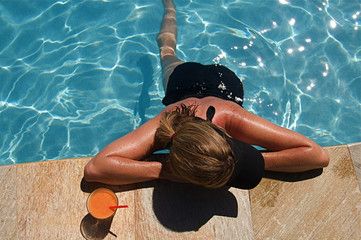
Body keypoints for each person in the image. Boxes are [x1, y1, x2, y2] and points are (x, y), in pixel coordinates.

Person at [84, 0, 329, 189]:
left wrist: (257, 161)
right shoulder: (168, 123)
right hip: (183, 81)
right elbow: (95, 169)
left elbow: (318, 155)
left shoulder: (233, 118)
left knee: (167, 52)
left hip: (224, 84)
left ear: (226, 137)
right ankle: (169, 6)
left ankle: (169, 9)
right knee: (166, 51)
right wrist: (164, 170)